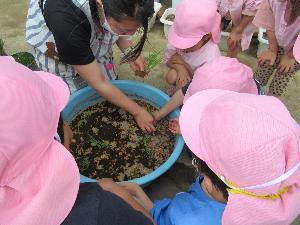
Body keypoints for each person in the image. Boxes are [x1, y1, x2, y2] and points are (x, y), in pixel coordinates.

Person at [0, 56, 154, 225]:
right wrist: (125, 196)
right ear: (56, 139)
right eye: (60, 118)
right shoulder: (101, 209)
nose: (68, 126)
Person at [120, 89, 300, 225]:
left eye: (197, 158)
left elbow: (159, 219)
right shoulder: (284, 186)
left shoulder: (187, 218)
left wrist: (137, 194)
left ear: (208, 180)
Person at [26, 0, 155, 132]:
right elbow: (99, 82)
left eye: (135, 29)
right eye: (125, 30)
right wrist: (137, 111)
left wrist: (130, 51)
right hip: (58, 44)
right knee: (75, 98)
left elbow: (121, 21)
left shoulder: (114, 11)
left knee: (107, 82)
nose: (132, 34)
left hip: (88, 25)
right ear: (100, 4)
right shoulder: (65, 19)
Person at [153, 56, 260, 134]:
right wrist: (160, 114)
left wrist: (187, 129)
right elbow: (183, 93)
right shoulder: (207, 79)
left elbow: (213, 129)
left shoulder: (238, 113)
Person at [164, 0, 221, 94]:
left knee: (184, 85)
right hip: (184, 73)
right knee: (172, 76)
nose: (182, 47)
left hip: (200, 84)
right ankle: (179, 91)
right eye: (180, 41)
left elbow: (206, 84)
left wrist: (184, 65)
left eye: (188, 44)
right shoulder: (179, 33)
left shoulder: (211, 56)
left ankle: (187, 97)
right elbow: (168, 60)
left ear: (206, 37)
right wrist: (180, 68)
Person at [253, 0, 300, 96]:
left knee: (284, 73)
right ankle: (252, 92)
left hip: (296, 51)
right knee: (264, 65)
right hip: (278, 43)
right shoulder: (273, 2)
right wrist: (272, 50)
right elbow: (270, 23)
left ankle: (271, 102)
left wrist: (290, 56)